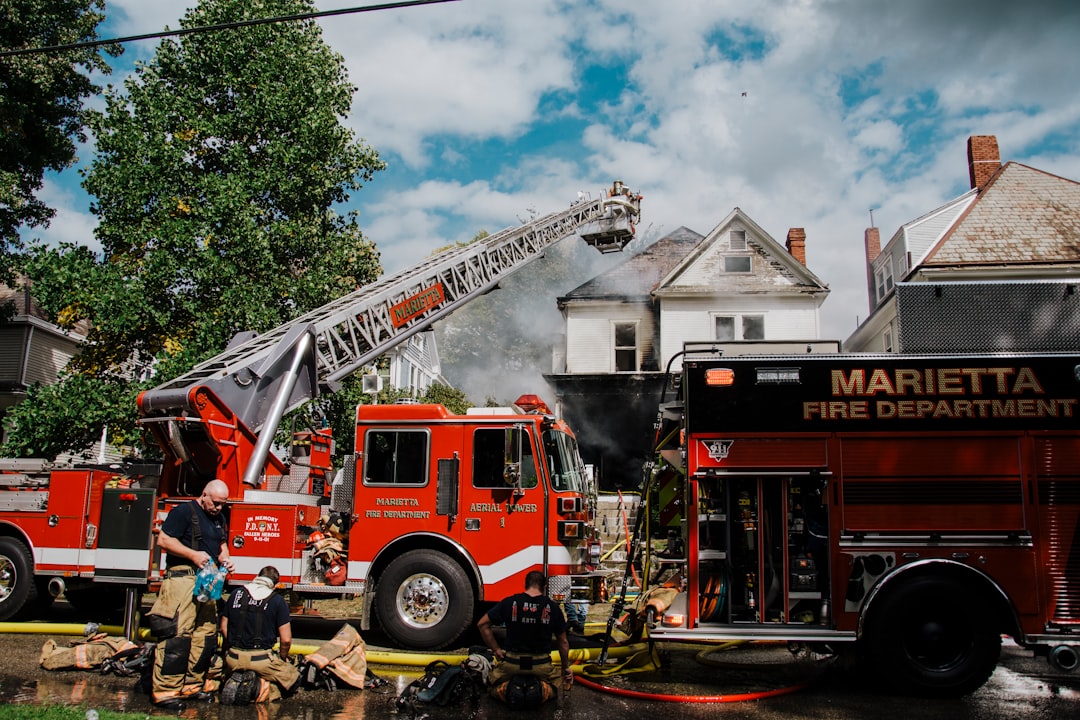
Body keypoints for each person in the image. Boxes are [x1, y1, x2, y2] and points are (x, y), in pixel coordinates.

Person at [149, 479, 233, 709]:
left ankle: (192, 686)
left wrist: (225, 558)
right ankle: (166, 691)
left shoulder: (219, 518)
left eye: (223, 504)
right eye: (215, 503)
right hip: (183, 579)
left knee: (205, 635)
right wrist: (192, 555)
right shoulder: (183, 512)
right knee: (178, 634)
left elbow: (221, 545)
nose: (218, 508)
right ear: (204, 495)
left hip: (208, 581)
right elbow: (164, 540)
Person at [477, 570, 572, 705]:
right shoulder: (553, 608)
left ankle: (507, 690)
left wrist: (496, 649)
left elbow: (482, 624)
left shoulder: (509, 602)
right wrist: (565, 667)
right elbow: (563, 642)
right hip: (541, 665)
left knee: (490, 684)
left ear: (525, 584)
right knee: (557, 686)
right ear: (544, 587)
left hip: (511, 663)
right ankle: (542, 690)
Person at [219, 565, 301, 705]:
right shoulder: (278, 600)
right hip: (261, 661)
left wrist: (229, 650)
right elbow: (286, 640)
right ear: (274, 584)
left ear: (257, 577)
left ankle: (235, 680)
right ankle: (258, 689)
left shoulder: (235, 594)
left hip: (233, 658)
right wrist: (282, 659)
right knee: (293, 679)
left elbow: (223, 627)